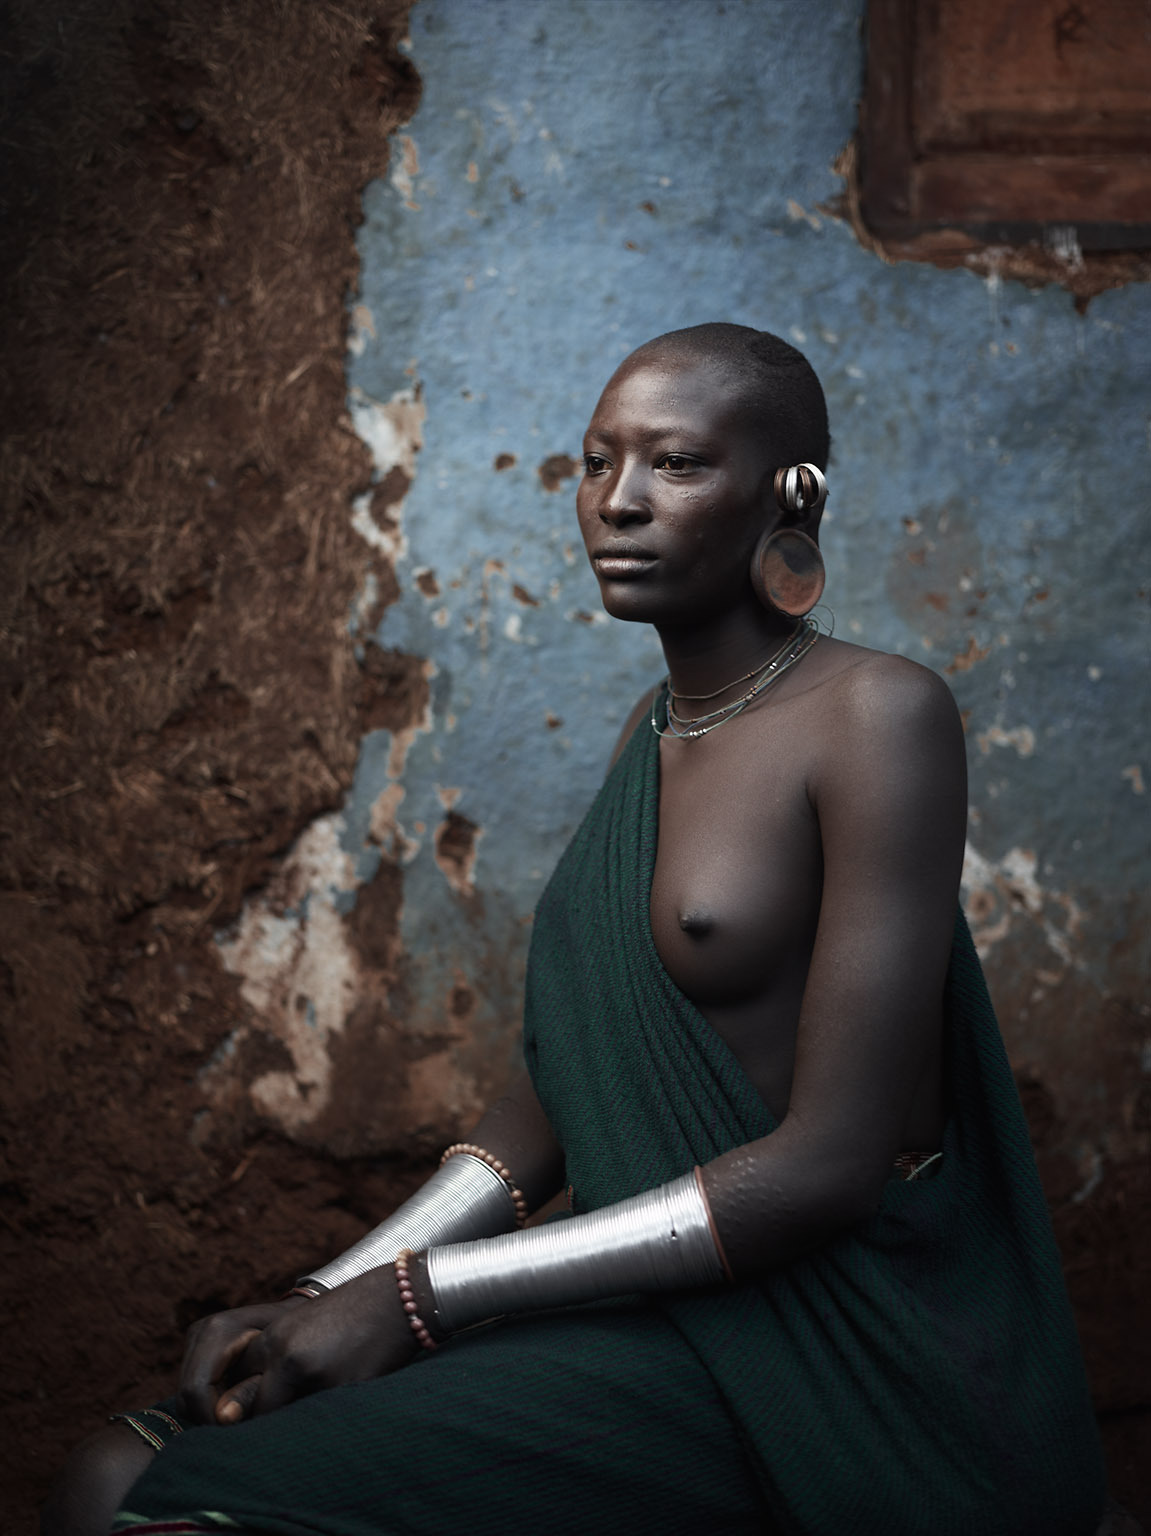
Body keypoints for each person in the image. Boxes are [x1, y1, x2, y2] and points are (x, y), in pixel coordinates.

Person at [44, 324, 1107, 1536]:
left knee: (168, 1508)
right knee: (108, 1469)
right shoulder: (648, 740)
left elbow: (828, 1167)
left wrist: (420, 1302)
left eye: (676, 464)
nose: (619, 502)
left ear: (789, 493)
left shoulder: (877, 715)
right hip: (655, 1307)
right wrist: (326, 1291)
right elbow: (548, 1105)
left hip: (817, 1334)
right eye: (595, 464)